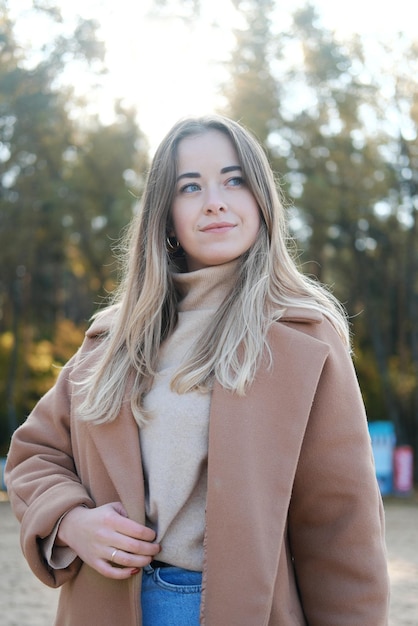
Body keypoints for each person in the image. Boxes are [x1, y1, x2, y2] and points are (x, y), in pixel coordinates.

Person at [5, 115, 389, 626]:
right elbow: (34, 454)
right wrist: (72, 521)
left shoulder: (304, 339)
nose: (215, 200)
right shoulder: (111, 340)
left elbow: (342, 524)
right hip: (105, 607)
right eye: (191, 187)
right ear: (166, 215)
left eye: (234, 180)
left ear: (261, 199)